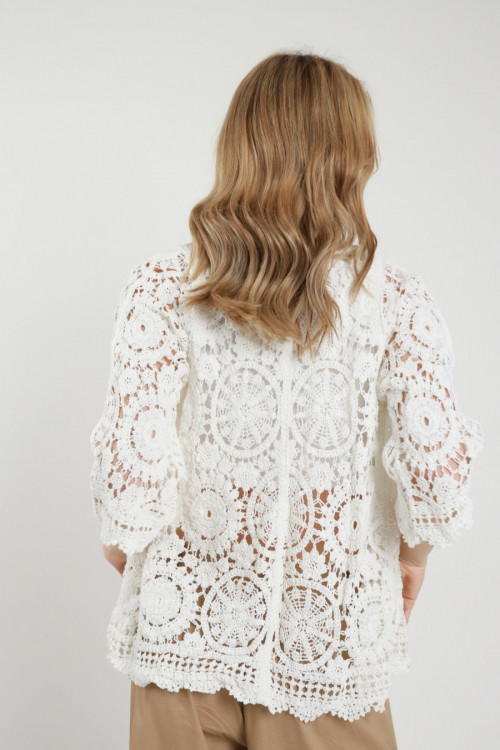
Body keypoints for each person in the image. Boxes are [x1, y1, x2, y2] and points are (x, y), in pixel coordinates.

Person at [90, 51, 484, 750]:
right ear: (353, 160)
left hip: (181, 650)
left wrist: (143, 555)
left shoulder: (163, 288)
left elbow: (131, 492)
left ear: (238, 148)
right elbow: (436, 474)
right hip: (326, 655)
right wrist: (414, 556)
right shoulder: (396, 302)